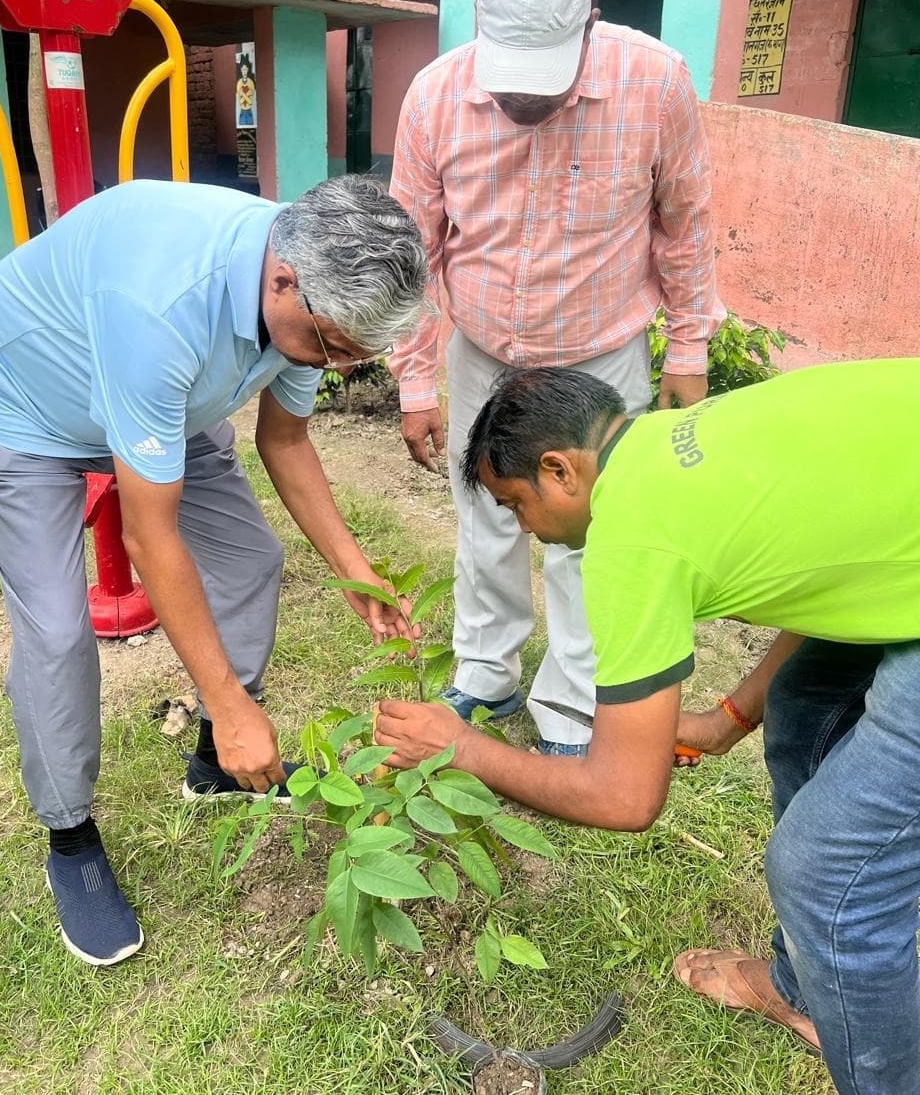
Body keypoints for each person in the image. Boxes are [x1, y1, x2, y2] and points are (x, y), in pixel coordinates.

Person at [375, 359, 920, 1095]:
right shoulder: (682, 436)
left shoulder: (629, 538)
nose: (524, 529)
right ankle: (804, 987)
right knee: (806, 705)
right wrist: (728, 720)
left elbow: (626, 798)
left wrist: (463, 748)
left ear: (559, 470)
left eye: (515, 505)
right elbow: (831, 574)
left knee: (823, 874)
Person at [0, 175, 428, 967]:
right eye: (333, 348)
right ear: (283, 280)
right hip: (19, 407)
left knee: (252, 559)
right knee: (57, 634)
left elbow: (286, 441)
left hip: (160, 404)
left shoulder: (312, 296)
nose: (341, 367)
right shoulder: (163, 305)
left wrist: (359, 573)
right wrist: (232, 699)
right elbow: (151, 539)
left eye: (356, 354)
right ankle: (70, 837)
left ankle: (214, 764)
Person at [388, 0, 723, 756]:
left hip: (598, 352)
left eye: (543, 78)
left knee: (592, 527)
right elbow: (412, 254)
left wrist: (688, 350)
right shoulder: (433, 97)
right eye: (509, 79)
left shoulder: (656, 82)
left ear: (589, 26)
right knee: (486, 512)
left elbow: (685, 225)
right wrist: (415, 382)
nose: (521, 101)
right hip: (483, 349)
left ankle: (573, 700)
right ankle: (486, 671)